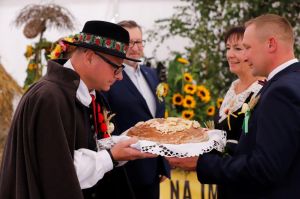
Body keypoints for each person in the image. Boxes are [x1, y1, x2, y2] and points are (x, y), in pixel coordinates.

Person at [0, 20, 156, 199]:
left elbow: (85, 147)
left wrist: (126, 141)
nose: (120, 76)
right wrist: (111, 156)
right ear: (89, 56)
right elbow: (58, 173)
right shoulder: (49, 97)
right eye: (116, 67)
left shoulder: (78, 92)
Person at [167, 14, 300, 199]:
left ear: (271, 44)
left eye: (246, 47)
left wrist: (202, 163)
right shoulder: (289, 81)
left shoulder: (281, 91)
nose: (244, 55)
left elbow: (265, 168)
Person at [103, 20, 170, 199]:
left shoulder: (152, 74)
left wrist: (162, 163)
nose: (135, 47)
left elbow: (158, 120)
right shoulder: (108, 78)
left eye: (139, 42)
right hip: (123, 172)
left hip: (152, 171)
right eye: (129, 42)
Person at [216, 26, 263, 155]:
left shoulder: (263, 92)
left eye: (237, 48)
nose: (230, 55)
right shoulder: (233, 88)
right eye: (228, 48)